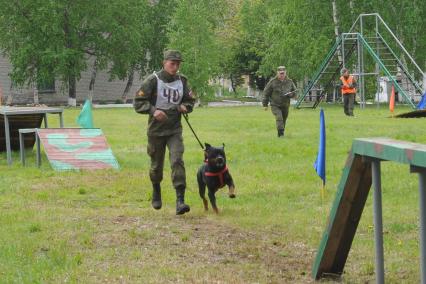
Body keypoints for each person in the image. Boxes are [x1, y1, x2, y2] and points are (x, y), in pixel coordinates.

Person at [133, 50, 195, 215]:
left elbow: (190, 100)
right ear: (164, 62)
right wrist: (153, 111)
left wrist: (185, 107)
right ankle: (156, 189)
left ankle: (180, 200)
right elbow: (138, 102)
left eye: (178, 64)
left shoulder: (182, 81)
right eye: (172, 63)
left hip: (174, 129)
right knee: (156, 166)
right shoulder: (153, 81)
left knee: (177, 160)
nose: (175, 67)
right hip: (156, 131)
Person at [262, 66, 297, 137]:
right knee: (279, 118)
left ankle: (281, 132)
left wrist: (292, 95)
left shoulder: (290, 81)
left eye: (283, 73)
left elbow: (295, 91)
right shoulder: (272, 82)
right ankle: (280, 134)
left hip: (285, 105)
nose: (282, 74)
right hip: (275, 104)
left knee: (283, 119)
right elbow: (266, 93)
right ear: (277, 73)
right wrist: (265, 104)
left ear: (285, 72)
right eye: (280, 73)